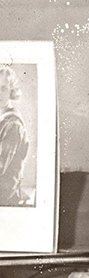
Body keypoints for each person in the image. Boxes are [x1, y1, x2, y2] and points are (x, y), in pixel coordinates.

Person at [0, 65, 29, 206]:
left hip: (5, 197)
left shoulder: (13, 124)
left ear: (11, 91)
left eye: (3, 88)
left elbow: (1, 166)